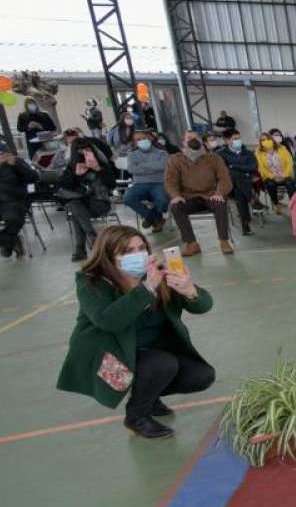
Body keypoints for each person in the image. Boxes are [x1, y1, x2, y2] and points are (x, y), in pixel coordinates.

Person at [57, 225, 214, 440]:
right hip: (110, 358)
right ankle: (136, 416)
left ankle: (148, 395)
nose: (137, 255)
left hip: (149, 351)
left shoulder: (156, 273)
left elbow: (204, 306)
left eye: (141, 248)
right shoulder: (91, 281)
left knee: (201, 376)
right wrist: (147, 288)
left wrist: (190, 291)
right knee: (162, 364)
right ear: (109, 256)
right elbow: (108, 320)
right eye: (127, 251)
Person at [165, 129, 235, 255]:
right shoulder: (175, 159)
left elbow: (224, 178)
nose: (192, 140)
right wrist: (175, 196)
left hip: (210, 195)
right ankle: (191, 243)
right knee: (176, 207)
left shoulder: (214, 157)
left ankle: (224, 241)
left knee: (220, 203)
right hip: (188, 197)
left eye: (195, 138)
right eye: (188, 138)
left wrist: (219, 193)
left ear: (201, 141)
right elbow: (170, 181)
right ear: (183, 143)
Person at [56, 141, 118, 261]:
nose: (84, 153)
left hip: (100, 203)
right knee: (75, 206)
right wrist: (76, 175)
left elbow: (112, 185)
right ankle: (92, 240)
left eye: (87, 150)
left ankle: (81, 248)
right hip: (81, 204)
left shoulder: (102, 164)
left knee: (76, 212)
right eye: (80, 151)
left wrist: (98, 169)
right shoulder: (72, 167)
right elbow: (61, 186)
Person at [215, 129, 260, 237]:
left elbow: (253, 167)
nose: (238, 140)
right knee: (234, 176)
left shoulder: (249, 153)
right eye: (235, 139)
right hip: (228, 186)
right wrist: (242, 170)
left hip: (247, 183)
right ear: (226, 141)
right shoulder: (220, 154)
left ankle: (246, 225)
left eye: (239, 138)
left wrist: (234, 166)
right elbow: (223, 171)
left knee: (239, 191)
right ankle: (252, 200)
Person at [124, 130, 170, 233]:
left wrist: (142, 166)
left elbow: (163, 166)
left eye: (143, 138)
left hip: (159, 182)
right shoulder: (132, 155)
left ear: (149, 139)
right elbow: (132, 169)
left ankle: (151, 219)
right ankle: (155, 218)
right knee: (128, 198)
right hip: (140, 184)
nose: (141, 141)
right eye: (138, 140)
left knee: (163, 202)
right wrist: (153, 166)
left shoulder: (162, 152)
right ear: (135, 143)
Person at [256, 131, 294, 213]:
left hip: (285, 175)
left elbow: (290, 162)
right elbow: (261, 168)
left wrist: (284, 175)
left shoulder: (282, 148)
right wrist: (273, 177)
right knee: (270, 185)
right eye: (262, 140)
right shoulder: (258, 152)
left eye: (266, 139)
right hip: (270, 177)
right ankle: (277, 204)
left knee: (290, 184)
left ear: (271, 139)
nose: (265, 141)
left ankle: (293, 204)